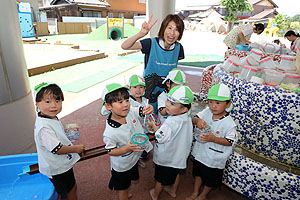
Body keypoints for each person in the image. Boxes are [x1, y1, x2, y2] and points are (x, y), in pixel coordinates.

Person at [121, 14, 185, 113]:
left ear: (180, 33)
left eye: (176, 30)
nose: (172, 33)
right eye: (169, 28)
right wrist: (141, 33)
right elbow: (125, 46)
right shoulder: (151, 43)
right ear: (163, 28)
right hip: (148, 94)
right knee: (148, 121)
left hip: (167, 97)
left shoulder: (179, 48)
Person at [100, 83, 154, 200]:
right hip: (122, 166)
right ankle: (123, 194)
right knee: (123, 188)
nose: (125, 105)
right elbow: (110, 151)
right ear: (108, 106)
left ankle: (125, 191)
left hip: (133, 159)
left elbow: (138, 110)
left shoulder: (128, 112)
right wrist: (126, 149)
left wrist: (147, 109)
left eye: (126, 100)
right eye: (120, 102)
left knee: (127, 182)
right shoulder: (110, 133)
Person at [33, 82, 85, 200]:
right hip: (57, 168)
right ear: (37, 104)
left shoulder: (49, 117)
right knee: (69, 191)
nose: (54, 106)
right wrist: (76, 148)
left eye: (57, 101)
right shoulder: (44, 127)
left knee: (69, 188)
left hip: (58, 164)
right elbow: (57, 149)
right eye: (48, 101)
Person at [186, 83, 237, 200]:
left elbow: (230, 141)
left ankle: (203, 195)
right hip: (200, 155)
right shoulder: (207, 112)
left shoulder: (229, 124)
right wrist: (197, 121)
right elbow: (194, 119)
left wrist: (214, 139)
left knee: (210, 180)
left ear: (228, 104)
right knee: (198, 174)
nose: (213, 106)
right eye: (210, 102)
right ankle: (195, 192)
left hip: (214, 159)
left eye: (218, 103)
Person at [148, 85, 194, 200]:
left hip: (167, 158)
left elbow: (159, 136)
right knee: (177, 172)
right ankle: (173, 191)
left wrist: (154, 126)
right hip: (178, 157)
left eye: (172, 104)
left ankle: (155, 194)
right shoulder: (187, 116)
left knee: (160, 179)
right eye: (168, 100)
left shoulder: (171, 122)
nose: (167, 104)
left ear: (184, 109)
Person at [128, 74, 148, 167]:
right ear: (129, 88)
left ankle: (139, 157)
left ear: (144, 89)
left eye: (141, 87)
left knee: (141, 147)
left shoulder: (145, 100)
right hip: (133, 130)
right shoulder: (128, 102)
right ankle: (135, 160)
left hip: (143, 129)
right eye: (135, 87)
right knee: (134, 146)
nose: (138, 90)